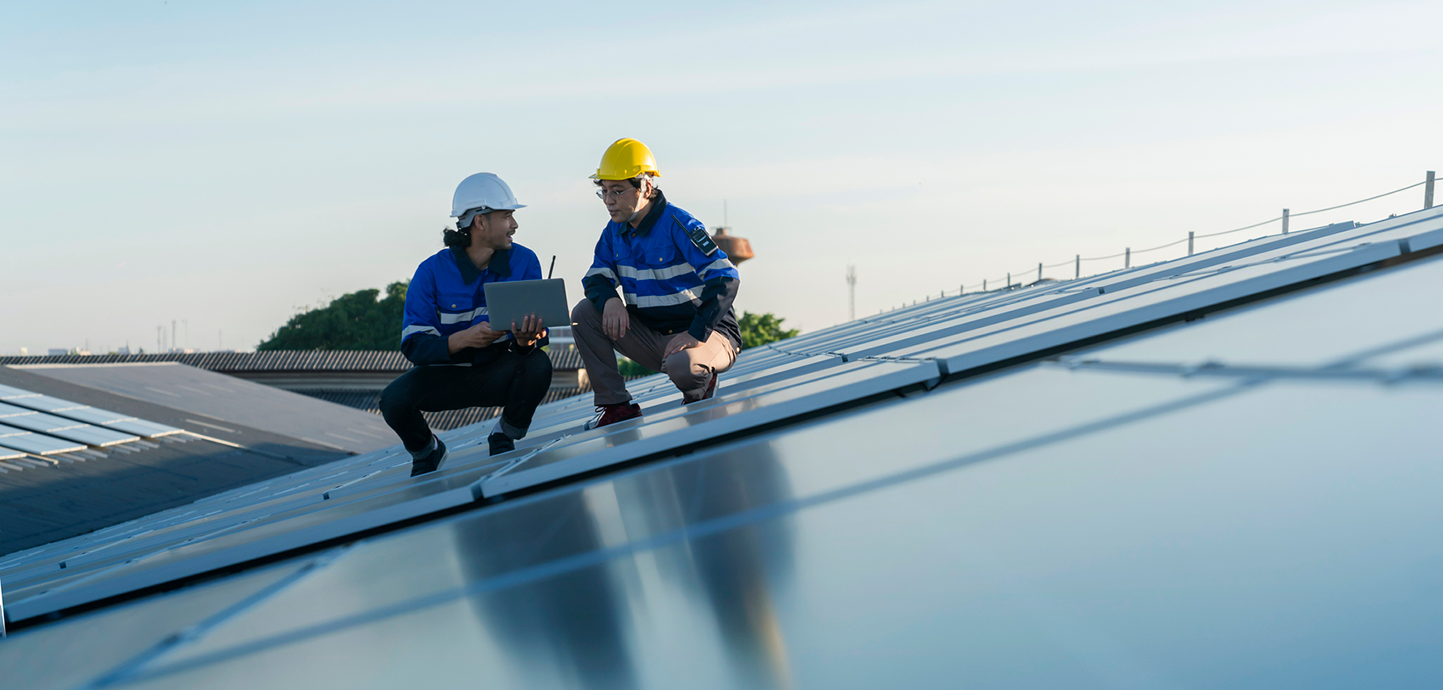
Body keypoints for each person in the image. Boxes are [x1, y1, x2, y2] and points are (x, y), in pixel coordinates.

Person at [380, 173, 552, 476]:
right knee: (392, 401)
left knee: (538, 364)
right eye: (507, 216)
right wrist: (463, 339)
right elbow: (414, 346)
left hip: (497, 373)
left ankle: (504, 435)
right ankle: (427, 451)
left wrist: (525, 341)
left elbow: (530, 346)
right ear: (480, 222)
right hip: (445, 378)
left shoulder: (525, 262)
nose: (514, 224)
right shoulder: (430, 272)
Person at [571, 138, 742, 430]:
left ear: (646, 188)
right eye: (604, 191)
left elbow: (726, 277)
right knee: (584, 314)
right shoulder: (613, 232)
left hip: (706, 335)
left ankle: (700, 390)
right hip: (656, 339)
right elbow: (596, 277)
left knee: (684, 366)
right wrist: (611, 299)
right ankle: (617, 407)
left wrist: (696, 332)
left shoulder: (679, 224)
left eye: (617, 191)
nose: (608, 200)